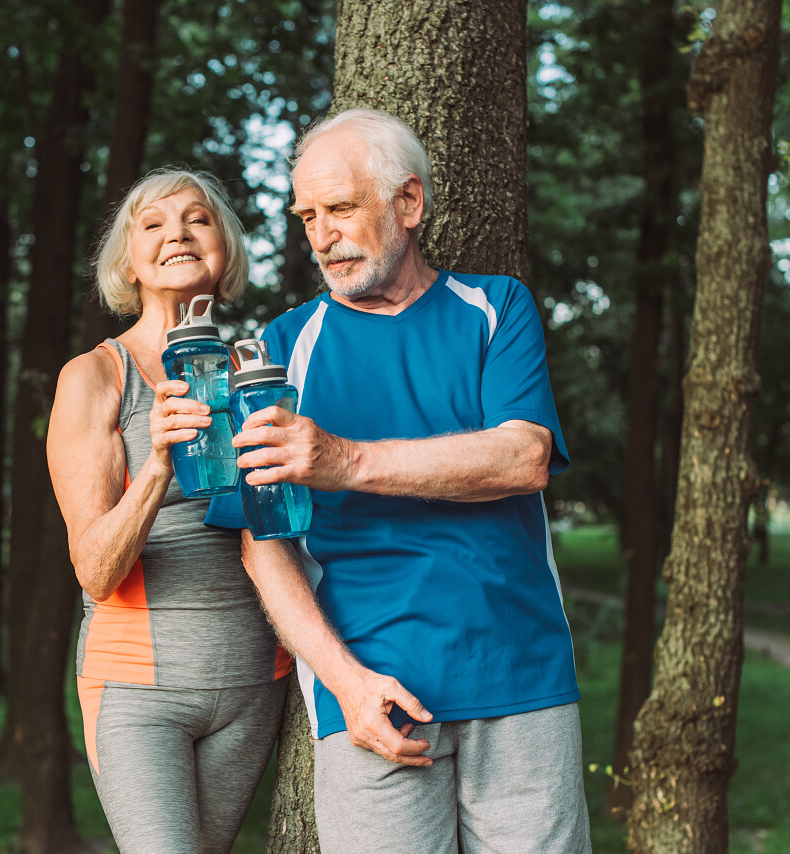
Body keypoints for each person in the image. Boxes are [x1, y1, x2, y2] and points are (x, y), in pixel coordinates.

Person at [206, 109, 592, 853]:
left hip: (521, 674)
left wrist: (344, 461)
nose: (321, 236)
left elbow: (523, 459)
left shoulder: (495, 308)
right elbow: (261, 543)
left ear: (408, 205)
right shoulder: (279, 350)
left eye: (341, 209)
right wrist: (342, 682)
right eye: (307, 216)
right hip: (372, 691)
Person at [45, 168, 291, 854]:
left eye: (198, 220)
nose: (177, 233)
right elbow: (94, 569)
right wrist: (156, 464)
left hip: (255, 681)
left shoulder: (260, 362)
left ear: (226, 250)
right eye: (152, 224)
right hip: (137, 692)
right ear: (129, 262)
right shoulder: (96, 376)